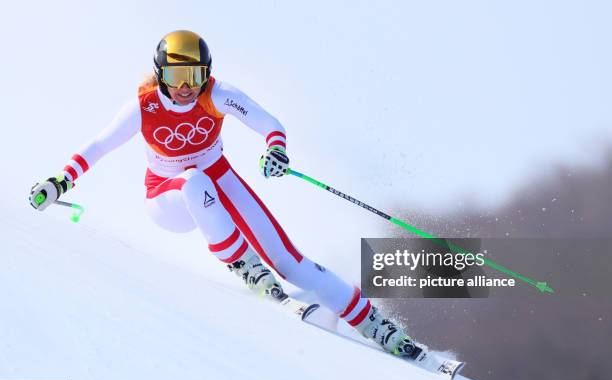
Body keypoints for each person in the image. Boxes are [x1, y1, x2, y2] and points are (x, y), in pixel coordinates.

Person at [29, 30, 418, 358]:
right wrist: (61, 181)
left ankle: (374, 324)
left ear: (207, 74)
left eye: (194, 75)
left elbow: (269, 122)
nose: (185, 87)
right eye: (176, 75)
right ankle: (247, 268)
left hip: (221, 179)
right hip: (168, 200)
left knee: (291, 261)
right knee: (195, 179)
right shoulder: (144, 106)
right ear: (160, 74)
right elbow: (100, 145)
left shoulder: (215, 94)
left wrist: (276, 148)